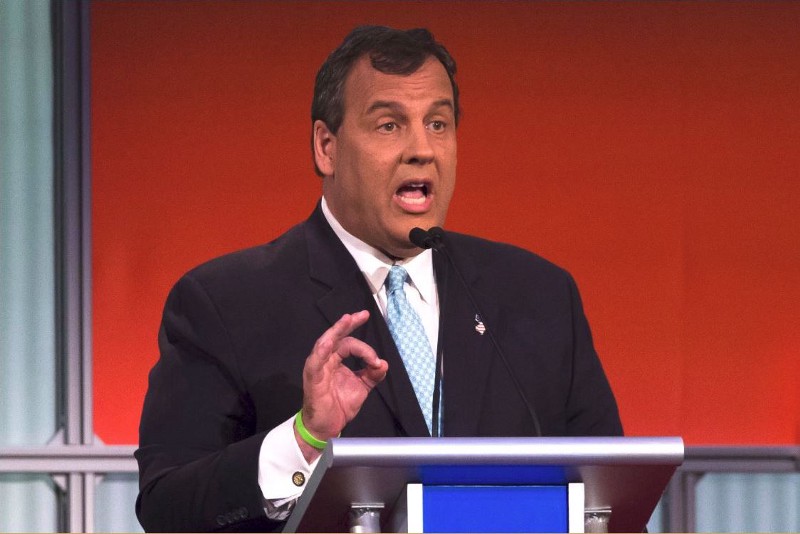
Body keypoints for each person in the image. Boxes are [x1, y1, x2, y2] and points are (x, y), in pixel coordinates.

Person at [135, 25, 622, 532]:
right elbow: (167, 508)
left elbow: (613, 503)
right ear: (326, 147)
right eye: (389, 125)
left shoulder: (540, 297)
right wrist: (304, 440)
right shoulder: (225, 302)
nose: (422, 149)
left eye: (438, 123)